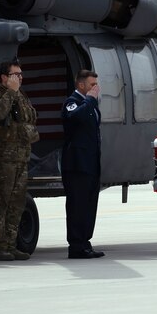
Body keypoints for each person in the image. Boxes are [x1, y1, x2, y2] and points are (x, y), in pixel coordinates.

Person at [0, 60, 38, 261]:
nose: (20, 78)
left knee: (17, 202)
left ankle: (10, 243)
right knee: (1, 201)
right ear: (4, 77)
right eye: (15, 74)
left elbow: (30, 118)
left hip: (21, 157)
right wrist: (11, 92)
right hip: (2, 159)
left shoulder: (21, 95)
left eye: (21, 74)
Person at [61, 69, 105, 259]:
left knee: (89, 205)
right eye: (92, 85)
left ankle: (85, 242)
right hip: (76, 164)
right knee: (77, 205)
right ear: (81, 85)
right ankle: (76, 245)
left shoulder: (90, 104)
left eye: (96, 84)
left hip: (90, 163)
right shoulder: (73, 102)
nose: (96, 88)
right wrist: (90, 100)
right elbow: (75, 117)